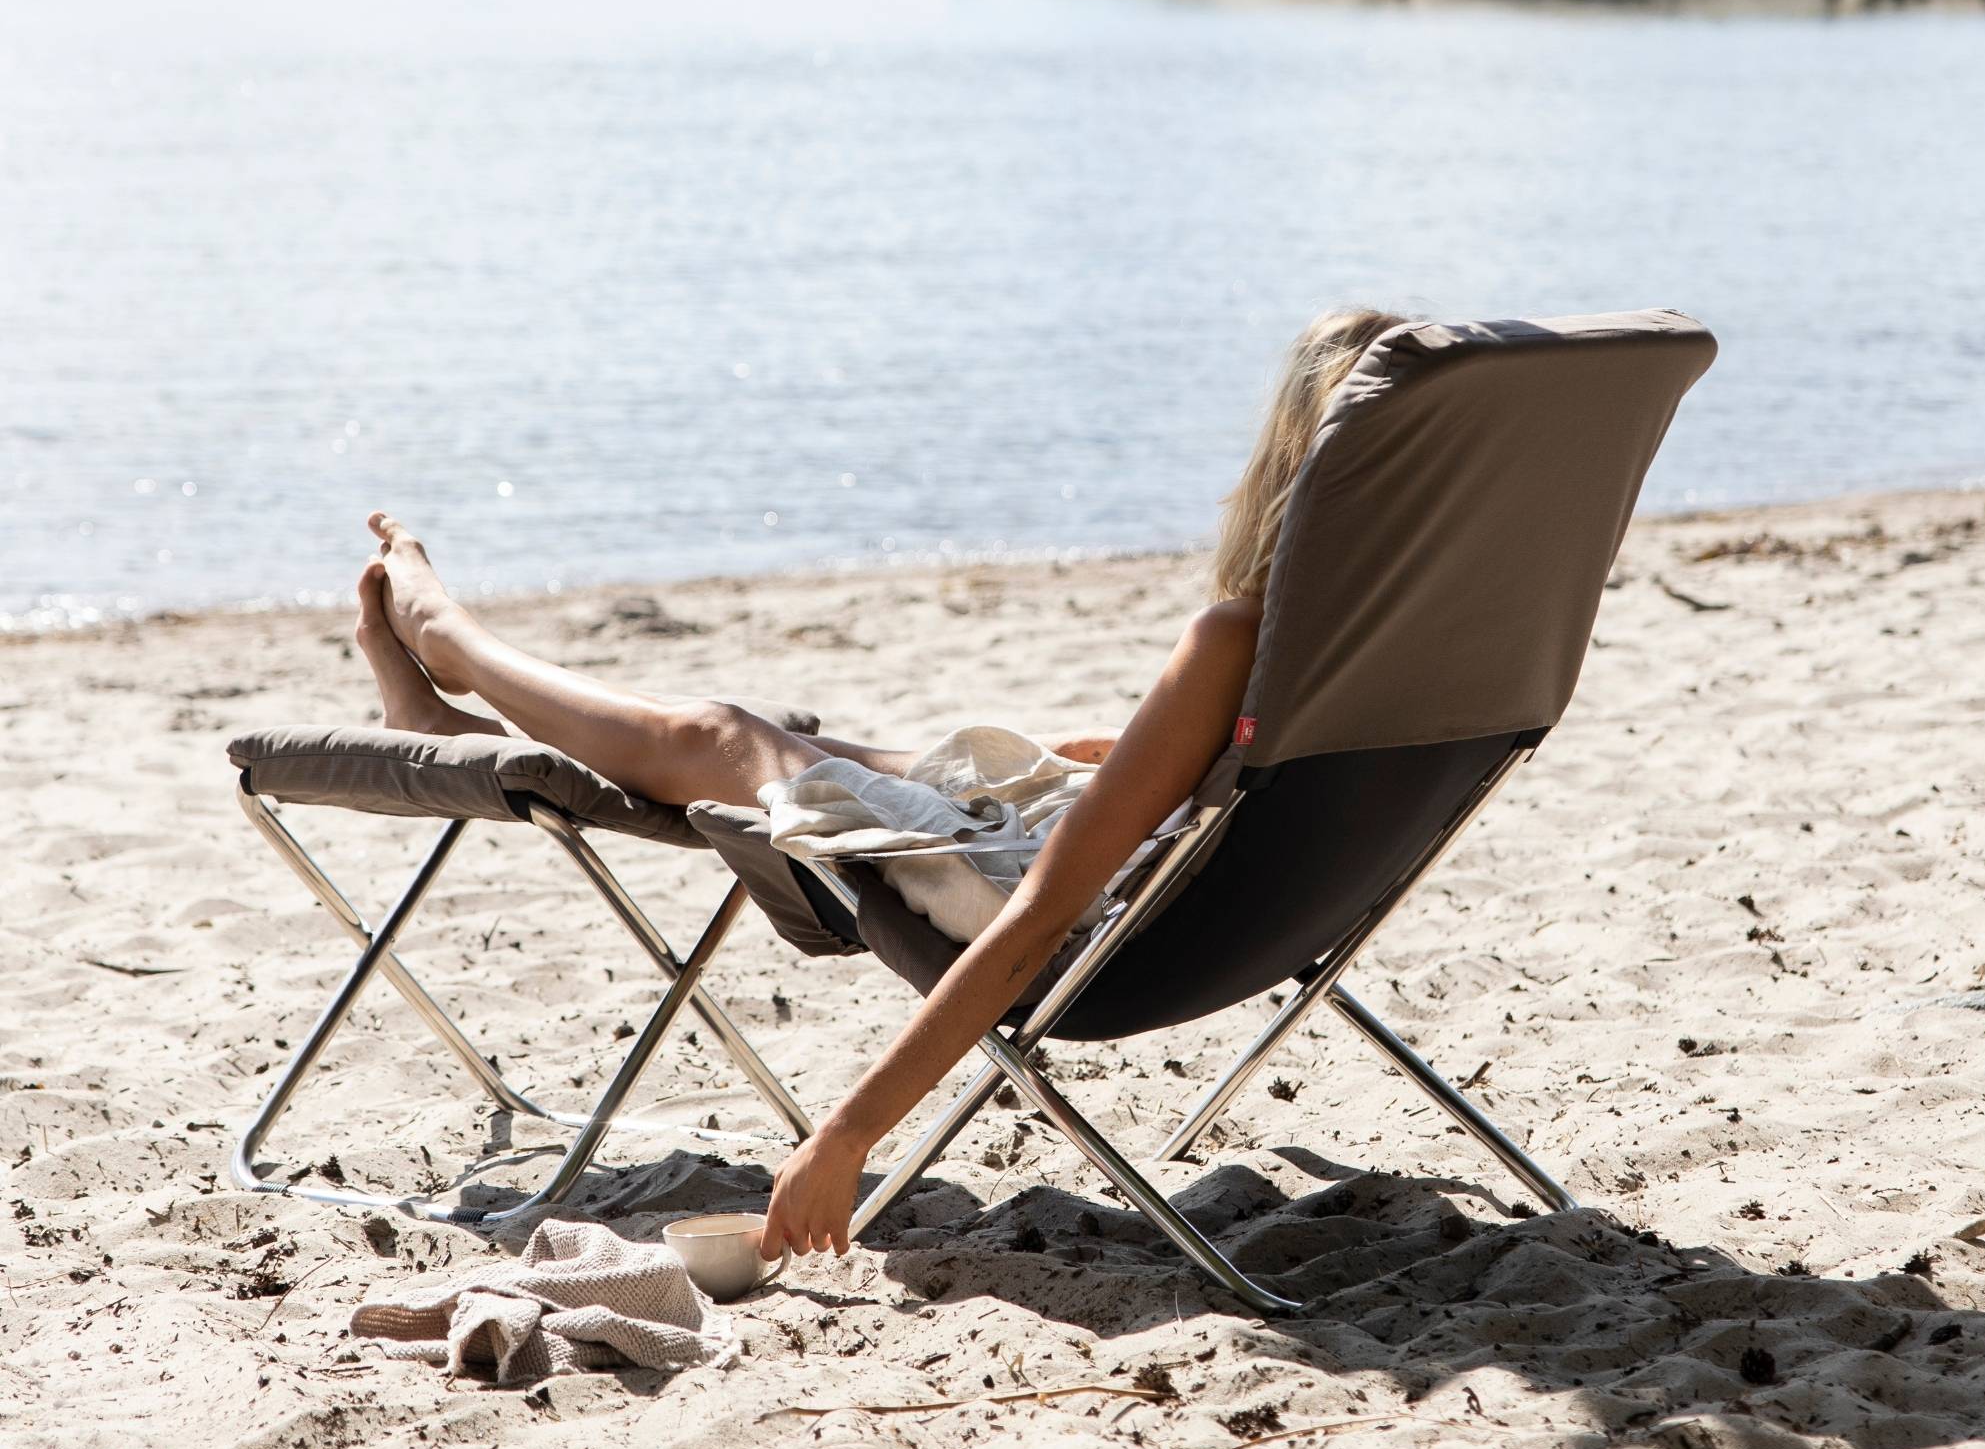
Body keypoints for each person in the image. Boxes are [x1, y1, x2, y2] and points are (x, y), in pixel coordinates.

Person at [356, 306, 1402, 1263]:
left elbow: (1040, 920)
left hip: (1091, 921)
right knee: (845, 750)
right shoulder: (1414, 640)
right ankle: (452, 714)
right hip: (1218, 917)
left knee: (721, 736)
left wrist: (846, 1132)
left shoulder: (1236, 635)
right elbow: (1245, 784)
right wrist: (1145, 759)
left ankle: (452, 642)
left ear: (1290, 460)